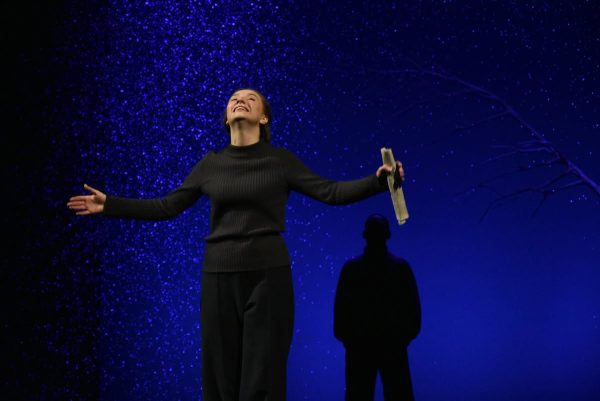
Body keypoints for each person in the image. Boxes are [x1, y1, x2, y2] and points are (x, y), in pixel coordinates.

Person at [67, 88, 404, 401]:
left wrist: (377, 183)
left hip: (268, 278)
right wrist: (110, 205)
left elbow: (330, 192)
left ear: (264, 118)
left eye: (250, 98)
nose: (240, 100)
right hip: (218, 278)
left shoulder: (280, 161)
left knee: (262, 379)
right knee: (221, 381)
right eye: (234, 99)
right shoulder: (210, 164)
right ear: (227, 118)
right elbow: (167, 206)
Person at [334, 213, 421, 401]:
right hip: (392, 345)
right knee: (398, 394)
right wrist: (403, 338)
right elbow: (413, 310)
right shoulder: (400, 268)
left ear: (365, 235)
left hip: (361, 347)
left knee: (359, 395)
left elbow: (341, 311)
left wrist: (349, 339)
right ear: (387, 235)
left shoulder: (351, 269)